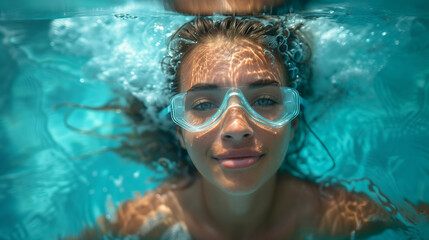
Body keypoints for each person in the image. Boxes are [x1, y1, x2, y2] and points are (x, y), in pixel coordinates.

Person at [67, 16, 400, 240]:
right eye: (203, 105)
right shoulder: (144, 220)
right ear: (180, 131)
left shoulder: (340, 215)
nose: (237, 127)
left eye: (266, 101)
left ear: (294, 122)